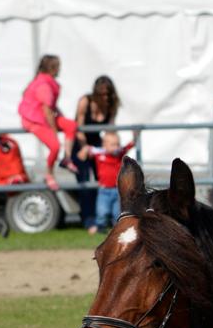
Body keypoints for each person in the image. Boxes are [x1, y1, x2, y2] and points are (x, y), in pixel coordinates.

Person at [18, 54, 78, 192]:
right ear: (53, 68)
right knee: (55, 146)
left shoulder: (48, 82)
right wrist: (54, 131)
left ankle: (67, 158)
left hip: (44, 116)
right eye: (58, 67)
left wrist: (62, 119)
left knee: (71, 125)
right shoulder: (44, 85)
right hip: (35, 120)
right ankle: (49, 174)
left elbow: (51, 107)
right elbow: (47, 110)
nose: (59, 70)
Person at [74, 76, 121, 231]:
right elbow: (78, 128)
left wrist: (111, 148)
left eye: (107, 94)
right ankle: (89, 220)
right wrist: (84, 147)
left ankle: (104, 218)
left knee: (103, 181)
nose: (105, 97)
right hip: (80, 144)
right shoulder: (85, 102)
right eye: (102, 94)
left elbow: (110, 131)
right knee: (85, 181)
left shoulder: (111, 105)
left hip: (97, 145)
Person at [80, 131, 134, 234]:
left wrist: (135, 136)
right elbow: (88, 149)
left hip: (117, 190)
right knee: (102, 211)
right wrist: (84, 150)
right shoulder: (99, 153)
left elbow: (128, 146)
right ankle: (100, 226)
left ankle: (117, 228)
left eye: (118, 144)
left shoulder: (119, 153)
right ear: (104, 145)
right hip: (104, 190)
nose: (116, 147)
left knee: (117, 212)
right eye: (113, 145)